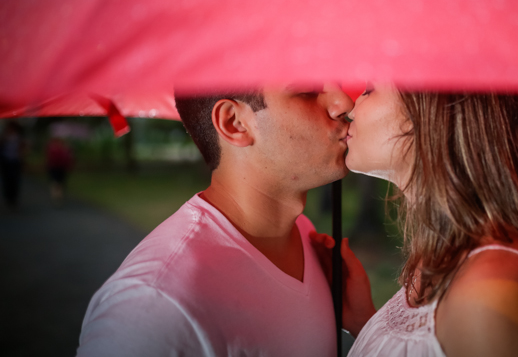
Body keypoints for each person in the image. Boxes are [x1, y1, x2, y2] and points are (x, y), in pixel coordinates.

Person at [311, 84, 518, 357]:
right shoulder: (448, 259)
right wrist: (365, 324)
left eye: (370, 89)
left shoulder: (489, 292)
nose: (349, 106)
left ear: (429, 109)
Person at [77, 84, 353, 356]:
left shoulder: (305, 236)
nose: (343, 102)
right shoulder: (153, 305)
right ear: (234, 123)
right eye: (307, 89)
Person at [0, 121, 26, 211]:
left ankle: (13, 199)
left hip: (15, 160)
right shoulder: (5, 136)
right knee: (7, 180)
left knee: (14, 180)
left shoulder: (18, 136)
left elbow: (22, 147)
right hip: (6, 160)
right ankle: (8, 198)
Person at [46, 137, 74, 203]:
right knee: (60, 183)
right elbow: (69, 158)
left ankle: (55, 197)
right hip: (61, 168)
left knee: (55, 183)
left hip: (53, 167)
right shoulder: (65, 148)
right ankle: (59, 197)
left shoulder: (51, 147)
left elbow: (48, 158)